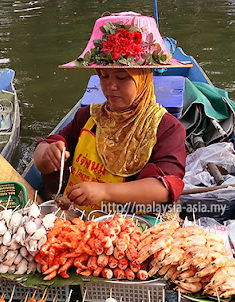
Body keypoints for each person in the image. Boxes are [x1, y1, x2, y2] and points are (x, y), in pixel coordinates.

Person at [33, 12, 192, 214]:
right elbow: (43, 150)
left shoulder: (167, 128)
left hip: (129, 227)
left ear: (143, 79)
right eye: (104, 76)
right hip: (75, 220)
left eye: (122, 77)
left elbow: (165, 188)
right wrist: (48, 155)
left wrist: (105, 191)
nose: (110, 86)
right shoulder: (88, 117)